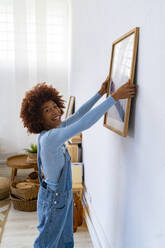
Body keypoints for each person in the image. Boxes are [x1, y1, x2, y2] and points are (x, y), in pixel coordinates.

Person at [20, 76, 136, 248]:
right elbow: (84, 123)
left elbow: (79, 115)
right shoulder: (50, 138)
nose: (55, 111)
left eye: (54, 106)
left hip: (59, 199)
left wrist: (100, 93)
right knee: (48, 244)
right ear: (38, 119)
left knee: (65, 241)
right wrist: (114, 97)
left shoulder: (53, 130)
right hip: (54, 202)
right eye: (46, 110)